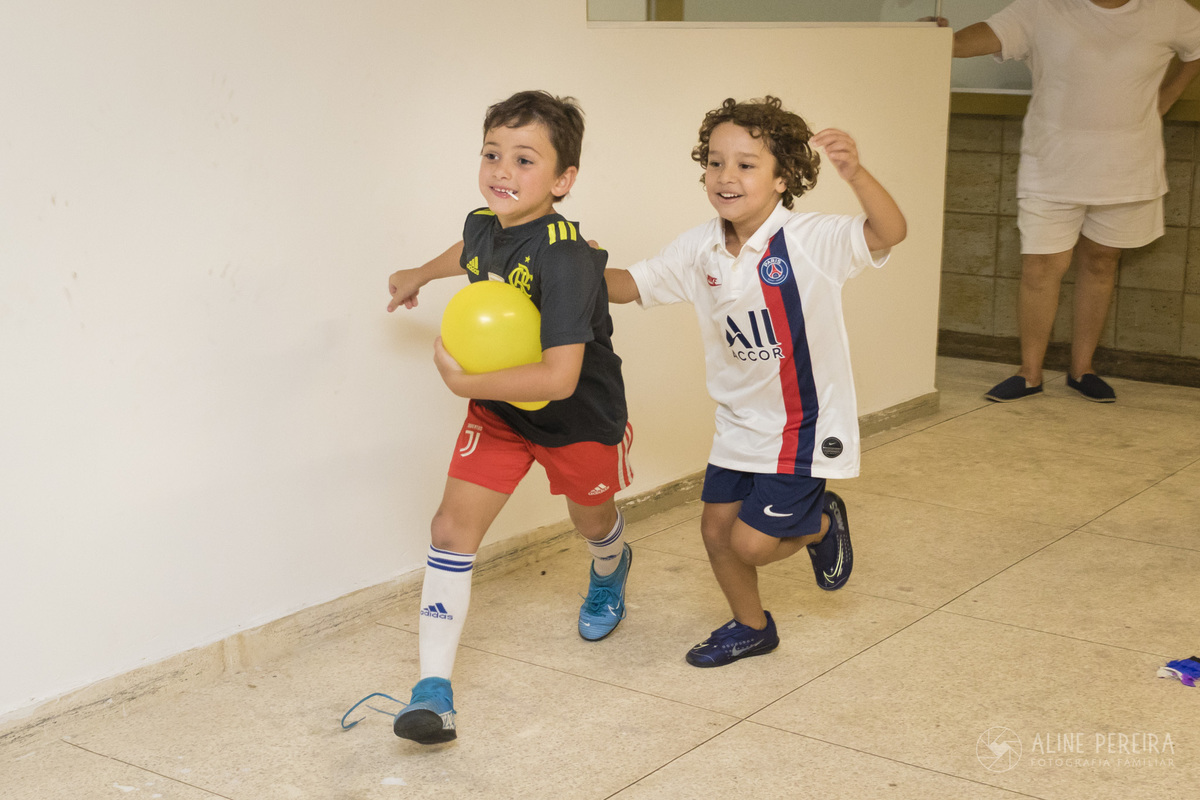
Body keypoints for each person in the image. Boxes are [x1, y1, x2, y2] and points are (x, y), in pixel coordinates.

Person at [604, 97, 905, 667]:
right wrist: (564, 265)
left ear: (782, 175)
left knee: (751, 543)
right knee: (716, 534)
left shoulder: (811, 241)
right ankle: (752, 627)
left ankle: (819, 524)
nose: (726, 176)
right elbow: (630, 284)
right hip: (739, 424)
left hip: (802, 427)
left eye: (746, 164)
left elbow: (891, 230)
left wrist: (856, 174)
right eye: (715, 162)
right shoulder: (701, 247)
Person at [385, 90, 633, 743]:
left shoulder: (568, 257)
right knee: (450, 528)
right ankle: (432, 693)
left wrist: (462, 379)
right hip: (500, 409)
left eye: (525, 160)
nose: (502, 170)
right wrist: (418, 274)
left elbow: (560, 377)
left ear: (563, 180)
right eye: (493, 153)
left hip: (578, 416)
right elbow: (467, 251)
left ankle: (611, 564)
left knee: (591, 519)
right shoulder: (484, 225)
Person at [933, 0, 1200, 403]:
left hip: (1127, 166)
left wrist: (1169, 95)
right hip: (1052, 164)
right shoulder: (1042, 8)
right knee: (1041, 266)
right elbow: (973, 39)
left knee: (1101, 261)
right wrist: (933, 39)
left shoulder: (1168, 11)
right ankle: (1030, 373)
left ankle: (1082, 370)